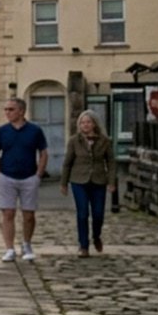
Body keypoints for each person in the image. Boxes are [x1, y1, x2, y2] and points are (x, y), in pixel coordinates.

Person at [0, 98, 49, 262]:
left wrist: (39, 174)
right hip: (7, 176)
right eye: (6, 109)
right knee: (8, 213)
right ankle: (9, 248)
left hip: (29, 176)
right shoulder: (2, 131)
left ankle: (27, 244)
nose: (7, 112)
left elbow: (43, 153)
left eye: (11, 109)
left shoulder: (35, 130)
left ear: (21, 111)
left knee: (29, 214)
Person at [60, 110, 114, 257]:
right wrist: (64, 183)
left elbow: (110, 162)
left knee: (98, 214)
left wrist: (111, 181)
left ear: (94, 124)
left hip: (98, 180)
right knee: (82, 213)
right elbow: (67, 163)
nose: (85, 125)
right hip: (79, 180)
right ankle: (83, 245)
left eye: (88, 122)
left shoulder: (104, 141)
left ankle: (96, 236)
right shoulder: (74, 141)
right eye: (82, 122)